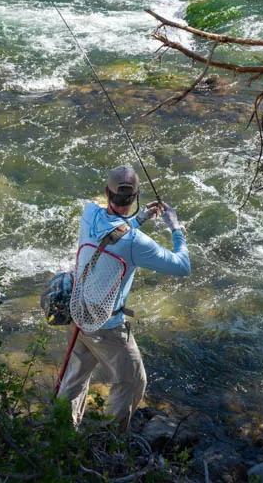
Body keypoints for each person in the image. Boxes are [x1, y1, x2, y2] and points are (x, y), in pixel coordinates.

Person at [57, 165, 190, 430]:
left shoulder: (89, 213)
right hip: (107, 326)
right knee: (131, 382)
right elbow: (182, 266)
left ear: (107, 192)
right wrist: (176, 229)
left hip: (79, 311)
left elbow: (111, 232)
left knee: (76, 376)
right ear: (136, 196)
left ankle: (60, 429)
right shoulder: (135, 242)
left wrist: (139, 219)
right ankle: (111, 438)